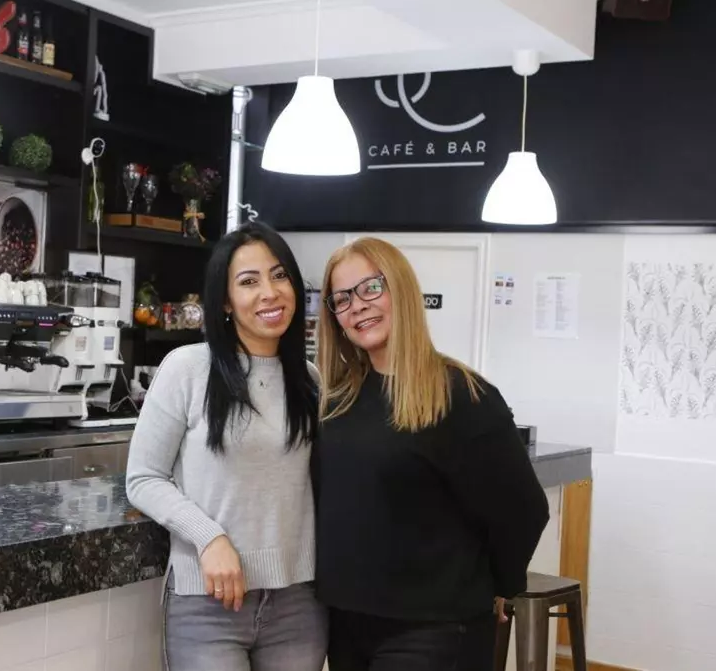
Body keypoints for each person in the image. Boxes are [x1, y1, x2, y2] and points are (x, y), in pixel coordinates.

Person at [312, 237, 550, 671]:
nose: (357, 306)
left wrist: (501, 584)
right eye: (341, 299)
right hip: (346, 624)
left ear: (401, 289)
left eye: (371, 288)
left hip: (435, 629)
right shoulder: (338, 400)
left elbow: (524, 509)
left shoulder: (462, 395)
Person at [126, 221, 327, 671]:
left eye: (279, 276)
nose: (270, 293)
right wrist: (209, 537)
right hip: (208, 601)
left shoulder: (309, 379)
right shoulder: (187, 368)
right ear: (224, 301)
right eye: (249, 282)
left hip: (297, 603)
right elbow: (143, 478)